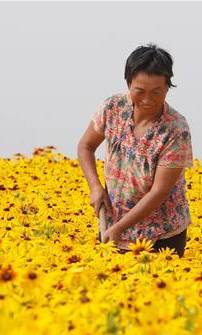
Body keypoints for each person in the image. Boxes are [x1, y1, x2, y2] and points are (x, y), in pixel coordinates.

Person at [77, 44, 194, 257]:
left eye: (156, 92)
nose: (147, 100)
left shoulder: (176, 129)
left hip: (161, 235)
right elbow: (85, 146)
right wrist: (95, 187)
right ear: (129, 83)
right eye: (139, 91)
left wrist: (121, 227)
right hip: (112, 223)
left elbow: (160, 191)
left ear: (168, 86)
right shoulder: (113, 107)